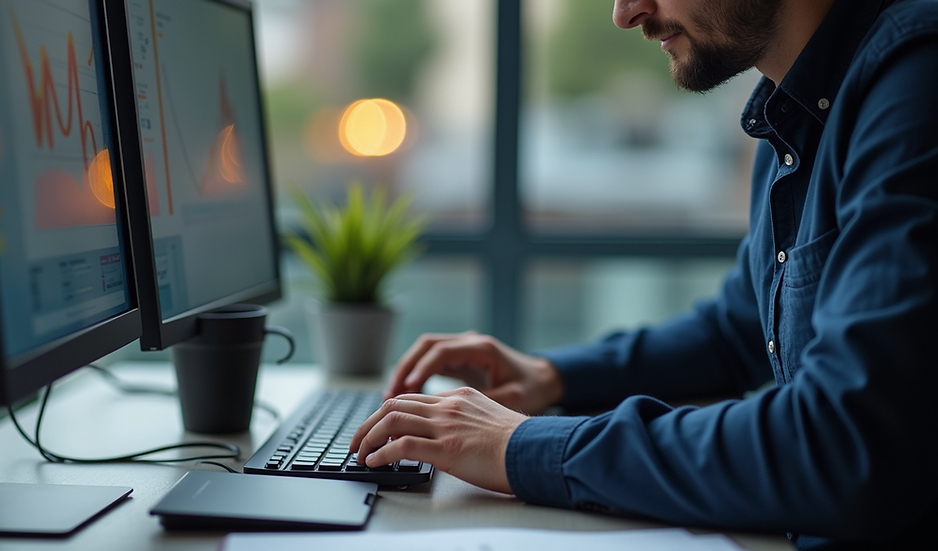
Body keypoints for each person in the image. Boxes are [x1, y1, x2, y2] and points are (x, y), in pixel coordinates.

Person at [349, 0, 938, 548]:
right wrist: (551, 376)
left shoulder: (916, 82)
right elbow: (735, 333)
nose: (625, 12)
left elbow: (843, 441)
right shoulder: (794, 114)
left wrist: (519, 445)